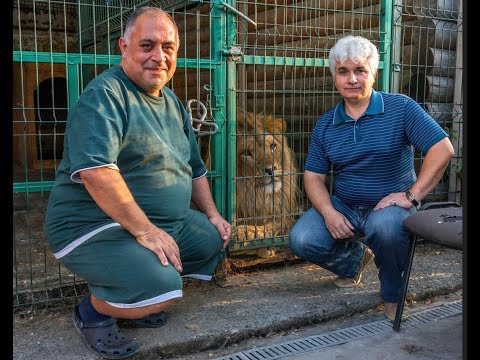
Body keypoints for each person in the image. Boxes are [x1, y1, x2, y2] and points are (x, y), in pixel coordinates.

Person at [44, 6, 231, 359]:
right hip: (90, 225)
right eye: (147, 45)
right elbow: (97, 172)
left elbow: (195, 167)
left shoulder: (173, 102)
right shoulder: (105, 95)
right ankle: (94, 310)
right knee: (164, 286)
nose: (158, 57)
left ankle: (134, 287)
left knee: (210, 239)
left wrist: (212, 213)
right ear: (123, 47)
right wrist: (146, 232)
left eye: (168, 48)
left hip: (148, 222)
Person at [288, 35, 454, 322]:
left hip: (389, 207)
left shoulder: (400, 108)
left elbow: (442, 149)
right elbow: (313, 177)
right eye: (343, 71)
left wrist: (411, 196)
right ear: (334, 77)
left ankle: (392, 295)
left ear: (373, 73)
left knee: (386, 231)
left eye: (360, 70)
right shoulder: (326, 124)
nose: (352, 79)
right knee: (301, 239)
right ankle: (356, 259)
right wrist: (328, 213)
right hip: (346, 205)